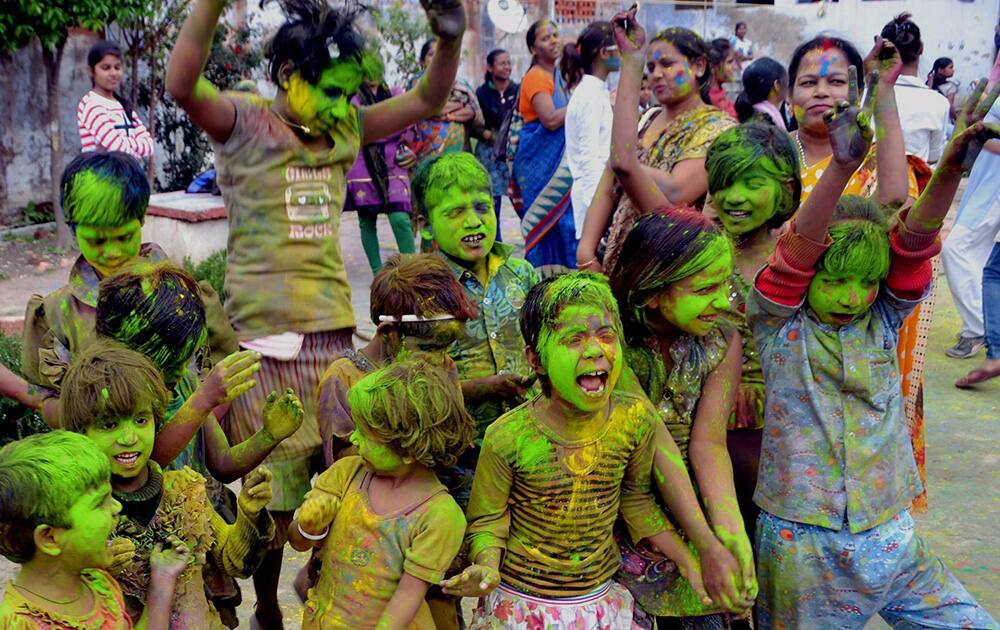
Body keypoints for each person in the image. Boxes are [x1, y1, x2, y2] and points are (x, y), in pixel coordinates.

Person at [165, 0, 466, 623]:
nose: (340, 106)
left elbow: (424, 102)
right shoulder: (245, 123)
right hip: (263, 338)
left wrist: (450, 35)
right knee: (271, 488)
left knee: (342, 470)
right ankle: (267, 605)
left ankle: (326, 581)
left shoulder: (345, 128)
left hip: (330, 334)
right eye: (330, 91)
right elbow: (180, 85)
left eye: (350, 94)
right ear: (284, 74)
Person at [750, 67, 1000, 628]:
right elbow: (796, 252)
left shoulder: (883, 320)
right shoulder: (777, 323)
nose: (852, 295)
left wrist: (953, 169)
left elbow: (912, 242)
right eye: (834, 280)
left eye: (865, 281)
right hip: (802, 543)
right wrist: (840, 169)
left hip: (890, 531)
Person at [442, 272, 702, 628]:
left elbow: (636, 500)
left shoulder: (635, 420)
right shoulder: (508, 437)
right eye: (574, 339)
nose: (595, 350)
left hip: (599, 600)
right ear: (535, 360)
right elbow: (487, 521)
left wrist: (688, 559)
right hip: (525, 604)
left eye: (607, 335)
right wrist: (486, 566)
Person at [606, 14, 756, 623]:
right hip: (610, 501)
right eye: (705, 289)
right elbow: (660, 450)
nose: (724, 300)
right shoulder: (612, 342)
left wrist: (731, 539)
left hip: (676, 495)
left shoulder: (719, 338)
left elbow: (708, 446)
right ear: (653, 296)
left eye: (724, 284)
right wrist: (707, 543)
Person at [787, 35, 938, 511]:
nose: (821, 91)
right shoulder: (773, 155)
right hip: (787, 339)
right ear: (787, 93)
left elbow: (894, 203)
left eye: (835, 81)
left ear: (855, 91)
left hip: (855, 339)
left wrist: (885, 89)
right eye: (808, 81)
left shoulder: (875, 162)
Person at [61, 341, 280, 627]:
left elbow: (235, 563)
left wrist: (249, 514)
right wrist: (94, 565)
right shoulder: (79, 511)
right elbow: (56, 590)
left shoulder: (182, 493)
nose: (129, 438)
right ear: (81, 433)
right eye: (109, 425)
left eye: (141, 420)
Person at [21, 151, 236, 427]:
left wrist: (196, 432)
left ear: (141, 220)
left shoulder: (184, 297)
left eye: (124, 237)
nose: (111, 252)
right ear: (74, 231)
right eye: (96, 241)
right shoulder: (57, 314)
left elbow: (222, 375)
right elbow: (48, 399)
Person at [290, 361, 472, 629]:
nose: (353, 438)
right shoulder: (346, 474)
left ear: (409, 449)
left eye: (365, 433)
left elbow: (408, 596)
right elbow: (297, 541)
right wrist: (309, 526)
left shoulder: (440, 516)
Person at [411, 153, 537, 500]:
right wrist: (484, 387)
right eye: (455, 212)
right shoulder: (422, 289)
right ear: (424, 224)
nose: (473, 222)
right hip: (459, 451)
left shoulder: (521, 273)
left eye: (482, 208)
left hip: (527, 436)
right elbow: (413, 384)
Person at [704, 122, 801, 559]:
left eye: (751, 183)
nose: (734, 197)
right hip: (707, 432)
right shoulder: (699, 253)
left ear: (785, 191)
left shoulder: (796, 259)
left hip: (781, 436)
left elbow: (894, 203)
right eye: (723, 183)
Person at [577, 26, 735, 275]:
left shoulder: (718, 128)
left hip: (672, 266)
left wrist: (627, 163)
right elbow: (609, 185)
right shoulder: (646, 119)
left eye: (667, 64)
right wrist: (585, 253)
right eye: (650, 68)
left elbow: (675, 191)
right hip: (618, 262)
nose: (657, 74)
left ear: (699, 66)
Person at [0, 430, 187, 629]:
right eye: (100, 502)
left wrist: (163, 577)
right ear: (50, 538)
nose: (117, 507)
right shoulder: (20, 624)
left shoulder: (99, 585)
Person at [315, 253, 478, 468]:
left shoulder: (443, 365)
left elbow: (452, 442)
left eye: (446, 348)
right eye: (429, 349)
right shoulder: (343, 379)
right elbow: (341, 465)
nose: (441, 359)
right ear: (389, 334)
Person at [512, 19, 578, 276]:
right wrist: (582, 103)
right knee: (546, 221)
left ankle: (563, 276)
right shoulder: (536, 77)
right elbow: (550, 120)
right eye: (545, 38)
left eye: (555, 35)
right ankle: (542, 279)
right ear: (532, 48)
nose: (553, 41)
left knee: (564, 221)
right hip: (538, 159)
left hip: (557, 160)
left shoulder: (557, 76)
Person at [942, 96, 1000, 361]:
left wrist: (972, 134)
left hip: (993, 191)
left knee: (955, 249)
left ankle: (978, 328)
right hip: (984, 183)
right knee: (977, 255)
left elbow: (985, 135)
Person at [345, 79, 417, 275]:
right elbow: (360, 130)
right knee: (367, 220)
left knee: (400, 218)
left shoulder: (394, 92)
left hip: (393, 160)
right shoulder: (352, 98)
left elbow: (407, 122)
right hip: (361, 162)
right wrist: (389, 128)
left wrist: (378, 131)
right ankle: (378, 274)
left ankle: (412, 269)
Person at [564, 21, 619, 241]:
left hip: (598, 193)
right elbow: (589, 157)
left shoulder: (596, 91)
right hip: (592, 194)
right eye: (618, 47)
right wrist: (598, 207)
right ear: (604, 53)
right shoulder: (589, 96)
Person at [881, 13, 950, 165]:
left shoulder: (868, 96)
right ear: (921, 48)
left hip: (864, 185)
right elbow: (933, 157)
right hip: (915, 186)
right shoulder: (938, 103)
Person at [78, 40, 154, 160]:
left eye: (117, 67)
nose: (113, 73)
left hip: (127, 175)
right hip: (101, 176)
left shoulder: (122, 105)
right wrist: (135, 146)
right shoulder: (91, 104)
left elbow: (149, 146)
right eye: (106, 68)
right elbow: (116, 148)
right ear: (91, 71)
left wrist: (126, 145)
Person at [475, 48, 519, 241]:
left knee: (520, 198)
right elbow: (474, 122)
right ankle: (496, 245)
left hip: (513, 151)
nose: (507, 67)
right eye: (502, 63)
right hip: (489, 154)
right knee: (492, 202)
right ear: (490, 68)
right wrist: (486, 134)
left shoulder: (517, 90)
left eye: (508, 63)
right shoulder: (482, 93)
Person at [733, 57, 788, 129]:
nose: (788, 86)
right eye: (787, 81)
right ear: (777, 85)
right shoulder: (765, 125)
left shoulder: (755, 115)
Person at [708, 38, 739, 118]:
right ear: (712, 67)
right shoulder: (713, 100)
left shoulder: (720, 95)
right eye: (730, 62)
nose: (735, 67)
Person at [927, 57, 960, 121]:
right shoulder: (950, 86)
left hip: (930, 118)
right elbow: (949, 106)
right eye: (950, 67)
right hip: (944, 120)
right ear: (940, 70)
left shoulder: (928, 84)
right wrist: (957, 119)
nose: (953, 70)